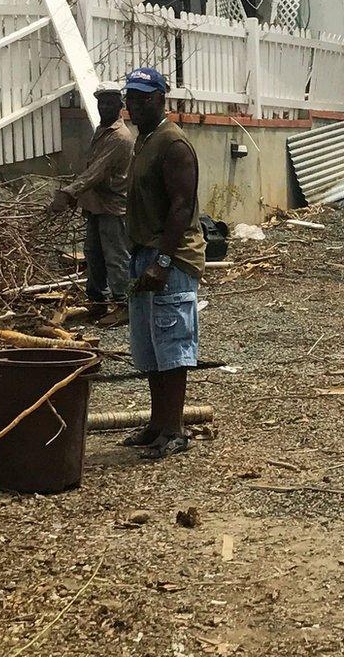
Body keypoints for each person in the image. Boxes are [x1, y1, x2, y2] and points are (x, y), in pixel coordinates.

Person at [119, 66, 205, 460]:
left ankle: (175, 428)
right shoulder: (145, 140)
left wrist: (164, 261)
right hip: (145, 254)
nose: (132, 106)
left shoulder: (173, 145)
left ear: (159, 99)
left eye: (140, 98)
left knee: (173, 345)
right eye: (129, 98)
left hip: (169, 257)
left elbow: (181, 206)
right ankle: (157, 423)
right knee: (150, 347)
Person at [48, 86, 135, 326]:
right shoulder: (102, 130)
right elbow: (92, 169)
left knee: (116, 257)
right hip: (96, 205)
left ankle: (124, 305)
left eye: (109, 104)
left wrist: (69, 192)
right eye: (101, 104)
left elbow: (97, 172)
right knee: (93, 255)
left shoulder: (120, 137)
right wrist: (77, 195)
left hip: (112, 207)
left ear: (120, 108)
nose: (103, 108)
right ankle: (98, 303)